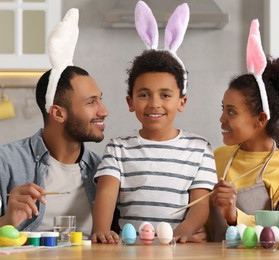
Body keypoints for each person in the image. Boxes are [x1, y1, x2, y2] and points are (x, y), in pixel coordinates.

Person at [0, 9, 118, 238]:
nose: (104, 111)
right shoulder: (0, 164)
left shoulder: (103, 171)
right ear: (58, 113)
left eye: (100, 99)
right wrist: (7, 220)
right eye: (91, 102)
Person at [91, 1, 217, 244]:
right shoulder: (118, 148)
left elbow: (200, 204)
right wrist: (100, 229)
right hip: (130, 248)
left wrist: (185, 230)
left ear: (182, 101)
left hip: (178, 246)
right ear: (130, 102)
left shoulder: (199, 148)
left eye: (165, 95)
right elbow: (106, 193)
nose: (154, 103)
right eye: (144, 94)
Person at [208, 19, 279, 241]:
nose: (222, 118)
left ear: (260, 119)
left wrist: (235, 215)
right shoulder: (216, 158)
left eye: (232, 112)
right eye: (223, 109)